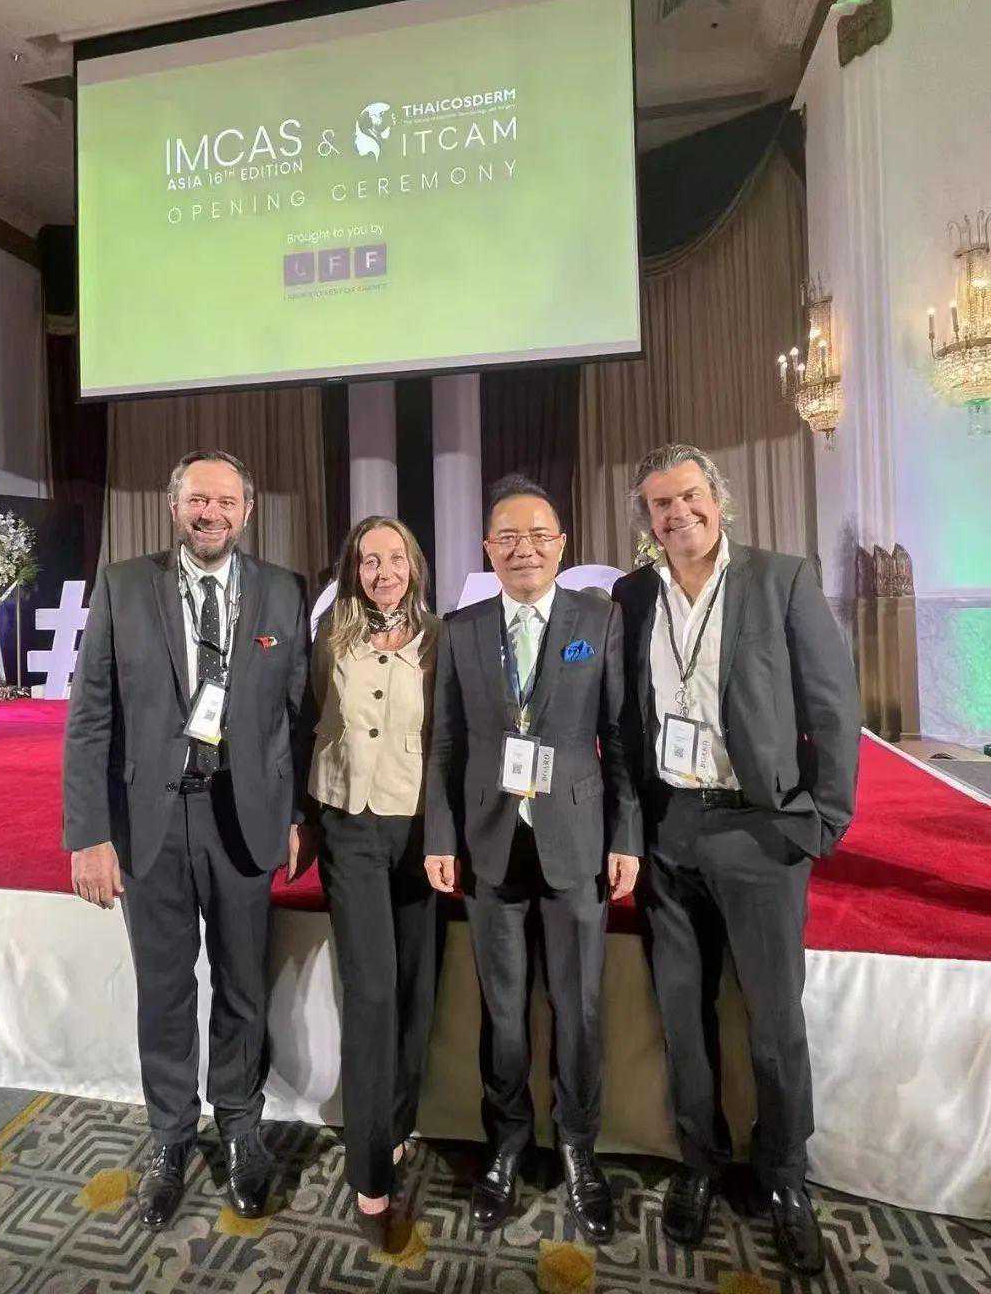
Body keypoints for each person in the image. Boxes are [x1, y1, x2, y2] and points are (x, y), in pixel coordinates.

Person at [610, 443, 860, 1277]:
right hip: (670, 830)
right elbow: (625, 724)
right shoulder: (633, 595)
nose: (677, 513)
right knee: (683, 1013)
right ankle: (701, 1161)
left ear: (718, 499)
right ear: (647, 520)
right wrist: (631, 829)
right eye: (661, 504)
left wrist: (821, 822)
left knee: (774, 1020)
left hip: (760, 831)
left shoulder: (779, 579)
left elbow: (832, 704)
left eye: (689, 496)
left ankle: (784, 1175)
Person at [63, 449, 315, 1229]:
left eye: (226, 502)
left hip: (244, 822)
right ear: (175, 508)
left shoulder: (282, 590)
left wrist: (296, 814)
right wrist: (89, 835)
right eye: (198, 500)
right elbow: (90, 717)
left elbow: (297, 717)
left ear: (247, 512)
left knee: (243, 986)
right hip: (151, 827)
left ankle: (240, 1128)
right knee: (165, 992)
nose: (211, 514)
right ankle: (171, 1138)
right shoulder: (122, 586)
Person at [424, 473, 641, 1245]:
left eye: (539, 536)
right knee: (504, 1012)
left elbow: (619, 737)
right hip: (489, 847)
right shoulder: (462, 628)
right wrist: (440, 835)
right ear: (488, 548)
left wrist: (626, 834)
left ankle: (579, 1149)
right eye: (509, 538)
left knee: (580, 1011)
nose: (525, 549)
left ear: (562, 545)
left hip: (575, 843)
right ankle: (507, 1143)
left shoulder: (598, 619)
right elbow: (445, 744)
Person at [308, 515, 440, 1248]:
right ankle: (368, 1174)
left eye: (395, 558)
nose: (383, 572)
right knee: (373, 993)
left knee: (416, 989)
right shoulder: (331, 636)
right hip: (350, 828)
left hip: (419, 833)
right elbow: (307, 719)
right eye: (368, 560)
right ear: (352, 570)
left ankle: (396, 1124)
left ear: (414, 565)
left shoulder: (441, 639)